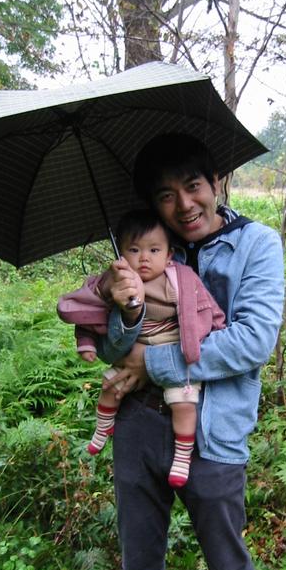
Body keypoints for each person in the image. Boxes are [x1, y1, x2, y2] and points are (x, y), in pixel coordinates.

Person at [98, 133, 285, 570]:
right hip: (138, 428)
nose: (183, 204)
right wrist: (125, 310)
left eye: (193, 185)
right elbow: (110, 350)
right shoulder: (147, 250)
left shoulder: (257, 244)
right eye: (165, 195)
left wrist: (152, 363)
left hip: (214, 434)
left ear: (216, 182)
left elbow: (252, 340)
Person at [57, 209, 225, 488]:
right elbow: (90, 314)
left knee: (184, 404)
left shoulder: (180, 280)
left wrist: (214, 328)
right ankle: (102, 427)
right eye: (134, 250)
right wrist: (85, 342)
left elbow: (206, 307)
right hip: (132, 356)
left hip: (174, 353)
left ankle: (183, 456)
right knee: (110, 384)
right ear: (120, 254)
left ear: (169, 254)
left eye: (154, 250)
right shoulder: (118, 281)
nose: (144, 258)